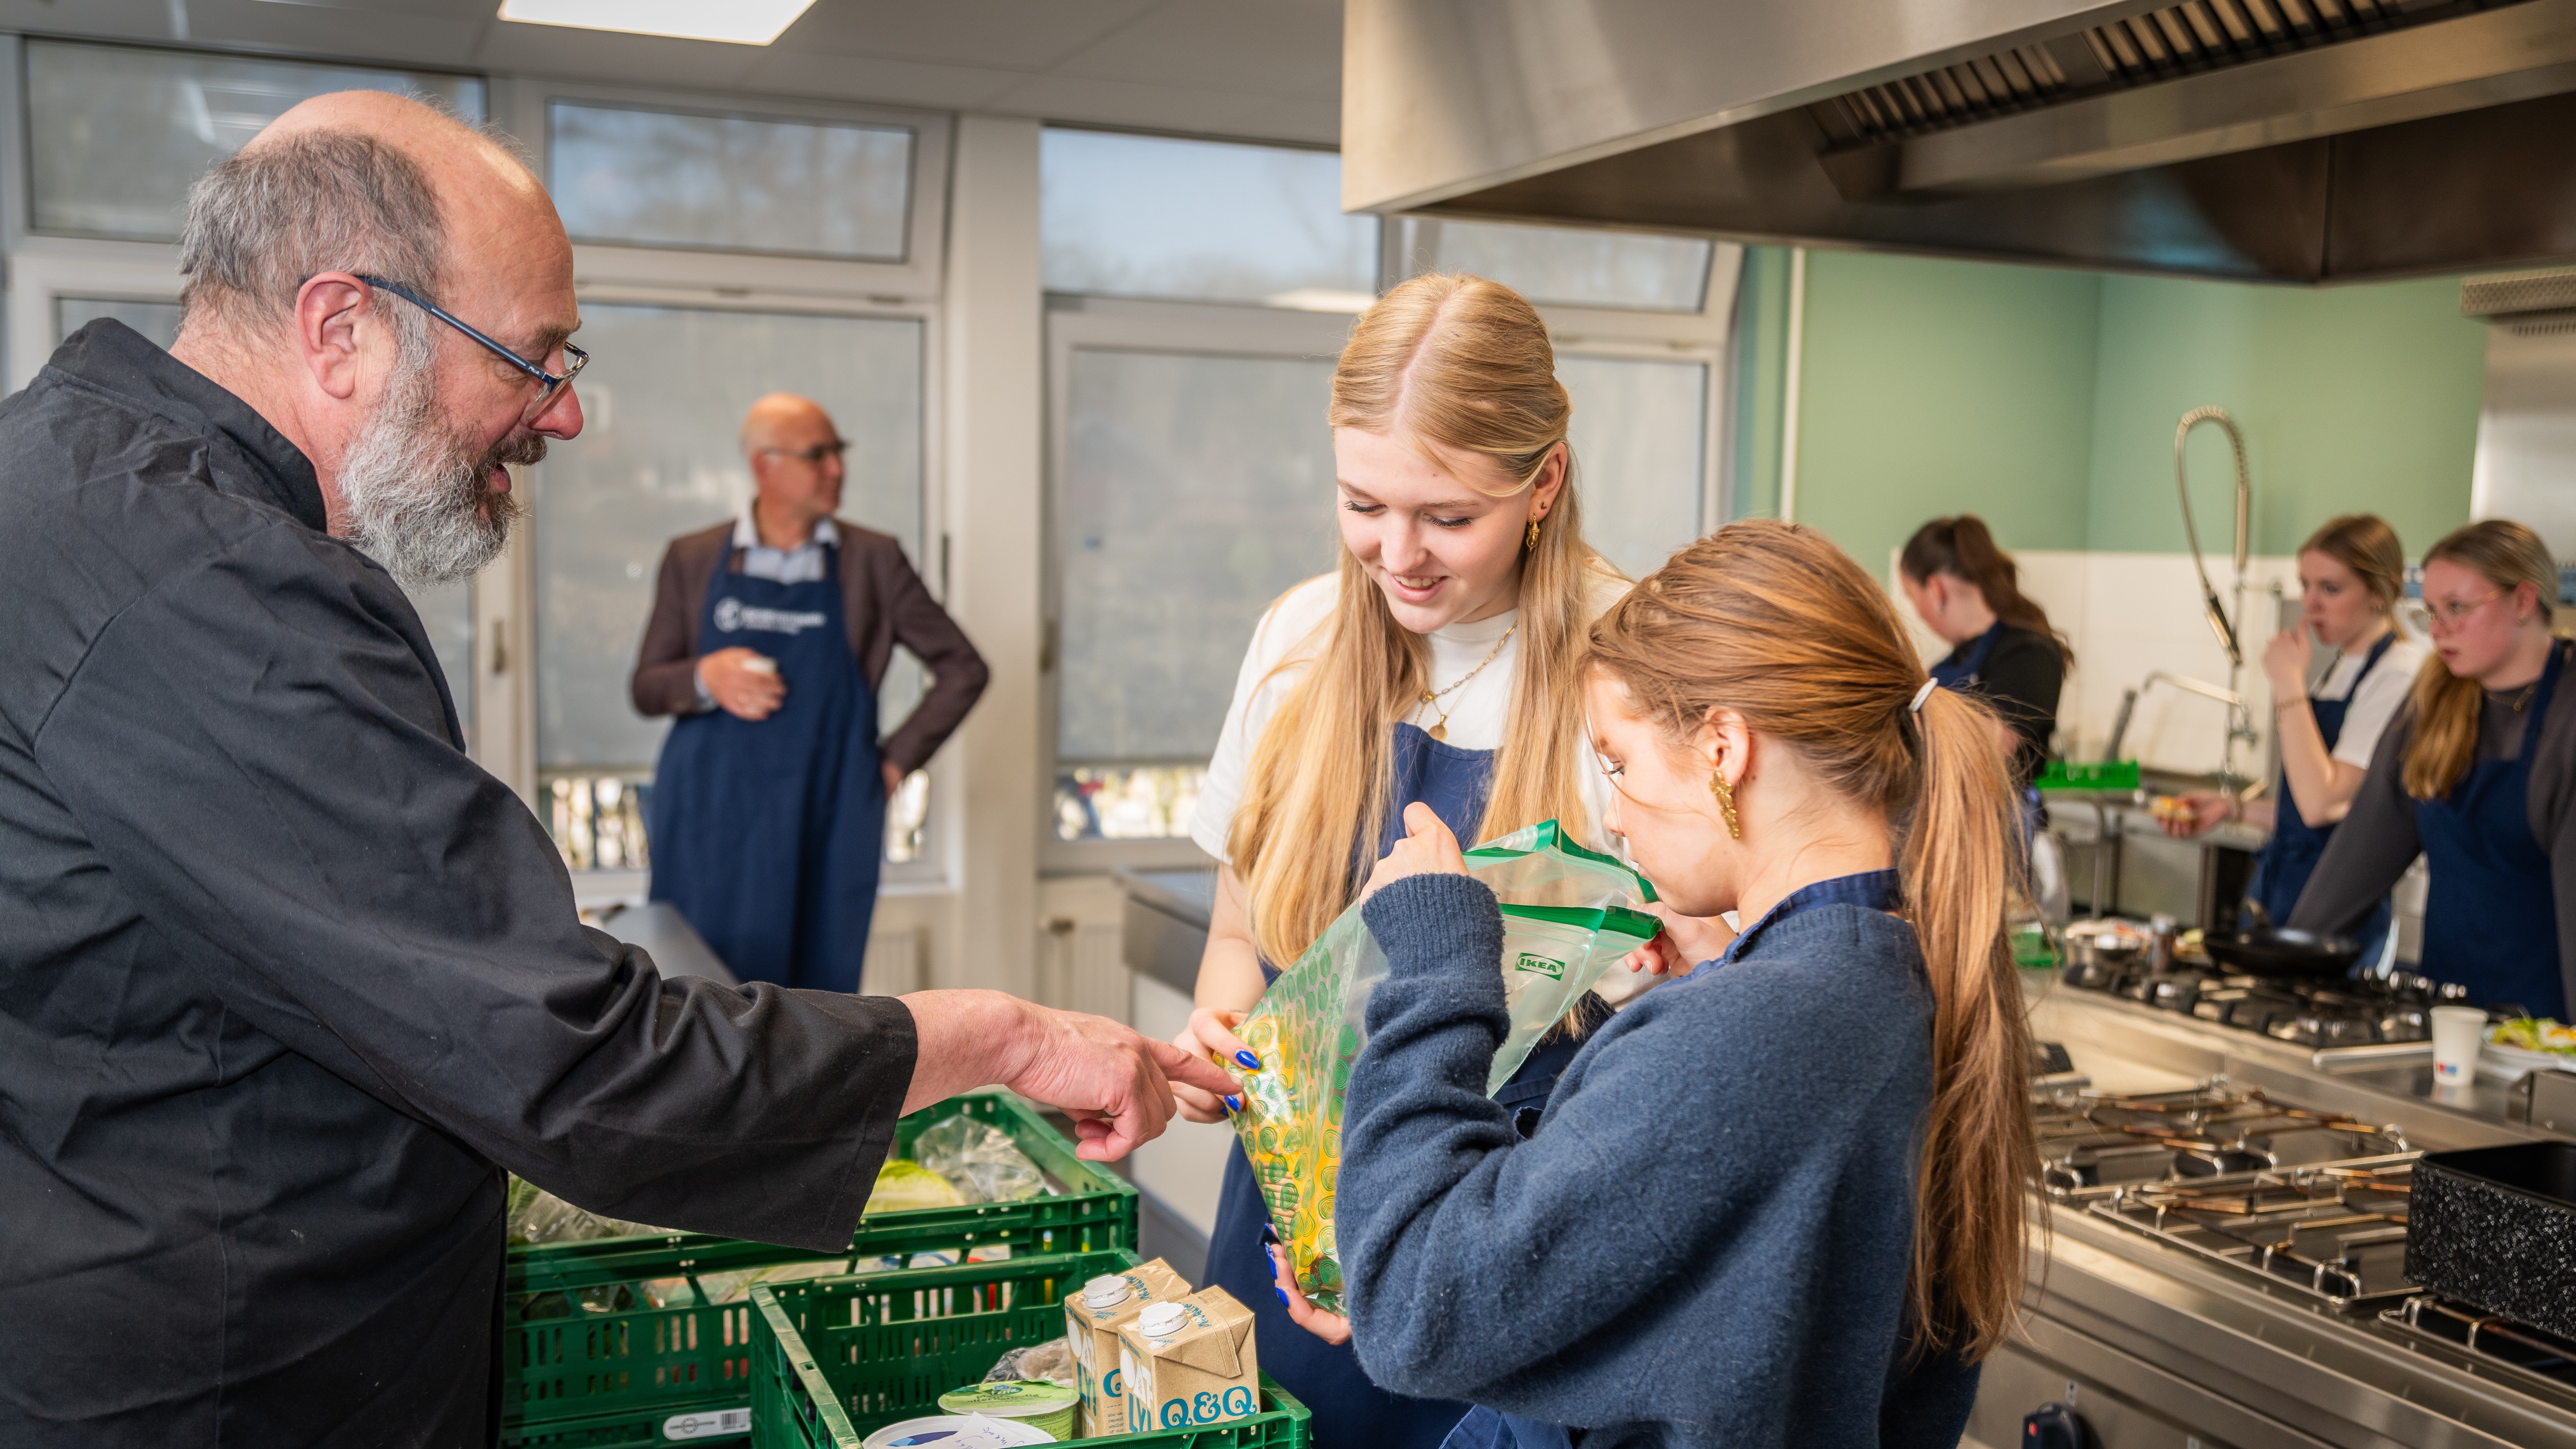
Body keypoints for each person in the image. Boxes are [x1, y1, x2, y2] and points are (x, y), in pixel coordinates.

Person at [0, 93, 1232, 1446]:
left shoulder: (66, 472)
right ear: (340, 326)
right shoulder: (208, 581)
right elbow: (580, 1062)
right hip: (229, 1374)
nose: (566, 413)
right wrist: (1010, 1035)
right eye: (529, 356)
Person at [1327, 520, 2035, 1449]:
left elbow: (1414, 1306)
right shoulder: (1898, 973)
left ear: (1722, 748)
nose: (1614, 815)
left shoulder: (1751, 1030)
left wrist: (1439, 962)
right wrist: (1704, 989)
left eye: (1618, 762)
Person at [1165, 274, 1687, 1449]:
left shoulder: (1634, 671)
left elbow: (1689, 1009)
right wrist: (1220, 1028)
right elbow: (1244, 926)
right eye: (1362, 502)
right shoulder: (1298, 640)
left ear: (1544, 477)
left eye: (1447, 516)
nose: (1394, 554)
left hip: (1507, 1257)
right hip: (1288, 1231)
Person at [632, 394, 987, 992]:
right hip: (709, 815)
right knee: (696, 996)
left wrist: (896, 761)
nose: (837, 469)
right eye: (819, 455)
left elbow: (962, 666)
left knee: (812, 1008)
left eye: (838, 454)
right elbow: (645, 688)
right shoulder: (692, 558)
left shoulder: (872, 560)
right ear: (765, 464)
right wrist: (704, 676)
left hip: (830, 808)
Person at [2295, 520, 2576, 1020]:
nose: (2439, 629)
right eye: (2430, 612)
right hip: (2448, 1016)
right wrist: (2287, 962)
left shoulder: (2566, 713)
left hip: (2553, 1033)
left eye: (2457, 608)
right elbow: (2359, 854)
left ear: (2522, 601)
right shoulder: (2428, 705)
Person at [2162, 516, 2422, 959]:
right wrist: (2234, 808)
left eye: (2331, 589)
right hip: (2284, 896)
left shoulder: (2398, 673)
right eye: (2306, 585)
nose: (2311, 605)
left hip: (2337, 913)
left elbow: (2325, 802)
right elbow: (2305, 813)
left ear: (2381, 590)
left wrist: (2287, 685)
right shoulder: (2340, 668)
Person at [1897, 514, 2071, 799]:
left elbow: (1989, 747)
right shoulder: (1947, 664)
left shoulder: (2030, 654)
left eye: (1912, 596)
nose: (1917, 612)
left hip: (2002, 830)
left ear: (1935, 590)